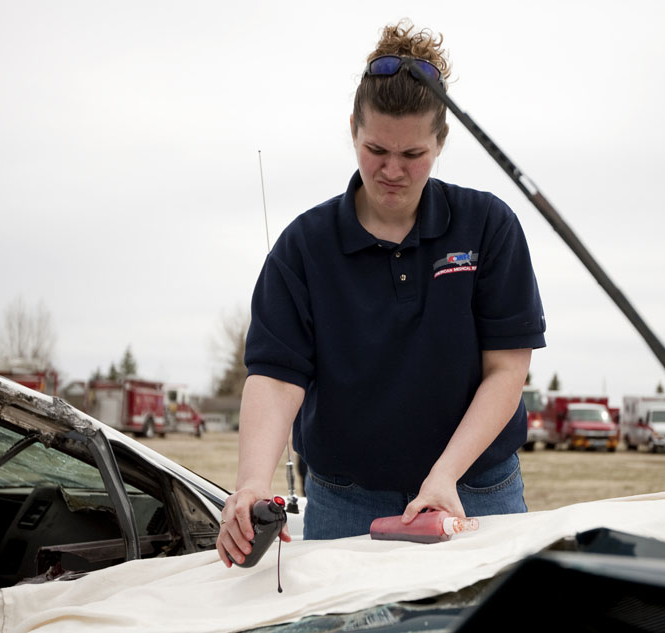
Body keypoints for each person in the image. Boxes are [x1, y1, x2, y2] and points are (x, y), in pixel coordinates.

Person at [217, 21, 546, 567]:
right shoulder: (305, 247)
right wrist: (251, 484)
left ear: (441, 141)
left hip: (476, 491)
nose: (392, 171)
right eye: (375, 149)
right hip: (346, 503)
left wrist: (444, 476)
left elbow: (507, 370)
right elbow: (276, 379)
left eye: (413, 153)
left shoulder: (488, 226)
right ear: (352, 129)